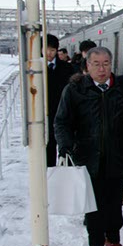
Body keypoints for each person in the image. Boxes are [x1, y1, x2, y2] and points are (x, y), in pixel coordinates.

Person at [55, 46, 123, 246]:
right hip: (87, 155)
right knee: (93, 202)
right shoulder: (74, 90)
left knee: (114, 200)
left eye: (106, 64)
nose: (101, 69)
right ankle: (95, 243)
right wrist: (66, 145)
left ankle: (113, 237)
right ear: (87, 66)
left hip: (117, 153)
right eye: (96, 64)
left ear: (112, 65)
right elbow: (61, 122)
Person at [44, 34, 74, 167]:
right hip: (45, 114)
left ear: (57, 50)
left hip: (64, 112)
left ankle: (64, 176)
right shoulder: (36, 69)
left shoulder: (67, 68)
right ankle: (49, 175)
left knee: (66, 146)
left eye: (52, 50)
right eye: (45, 49)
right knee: (48, 146)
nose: (48, 53)